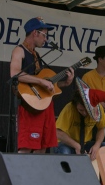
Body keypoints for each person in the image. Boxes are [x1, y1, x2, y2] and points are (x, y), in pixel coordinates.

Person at [10, 17, 74, 153]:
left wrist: (64, 83)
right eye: (44, 35)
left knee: (43, 146)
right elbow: (14, 73)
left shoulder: (36, 55)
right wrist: (41, 81)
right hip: (29, 105)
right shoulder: (19, 50)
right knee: (27, 146)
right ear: (35, 33)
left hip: (43, 104)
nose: (46, 39)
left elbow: (44, 85)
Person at [54, 80, 105, 160]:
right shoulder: (69, 108)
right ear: (76, 104)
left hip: (85, 144)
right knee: (65, 152)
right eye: (81, 110)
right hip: (66, 144)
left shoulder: (98, 109)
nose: (84, 113)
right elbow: (58, 132)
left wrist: (97, 145)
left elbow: (101, 128)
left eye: (87, 111)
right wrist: (76, 146)